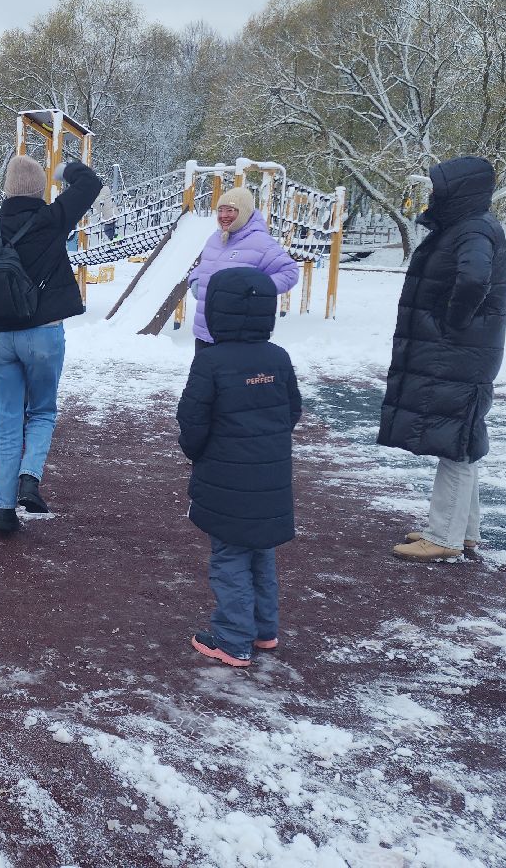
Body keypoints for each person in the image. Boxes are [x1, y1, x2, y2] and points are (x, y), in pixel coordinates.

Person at [0, 153, 103, 532]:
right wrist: (68, 170)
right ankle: (30, 477)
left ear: (6, 189)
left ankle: (3, 511)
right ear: (39, 189)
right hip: (45, 333)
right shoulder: (53, 218)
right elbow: (91, 183)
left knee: (6, 419)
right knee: (43, 411)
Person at [380, 156, 506, 562]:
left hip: (458, 351)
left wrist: (451, 323)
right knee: (462, 436)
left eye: (440, 189)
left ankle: (445, 536)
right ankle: (462, 530)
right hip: (460, 351)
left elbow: (473, 279)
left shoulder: (472, 228)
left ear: (459, 191)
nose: (434, 196)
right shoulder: (468, 226)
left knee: (456, 440)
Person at [177, 268, 302, 668]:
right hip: (271, 476)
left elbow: (193, 419)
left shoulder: (211, 362)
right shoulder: (278, 358)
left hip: (226, 478)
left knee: (230, 556)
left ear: (215, 310)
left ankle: (232, 639)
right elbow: (292, 411)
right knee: (261, 552)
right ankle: (265, 629)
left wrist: (194, 451)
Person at [186, 186, 299, 352]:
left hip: (237, 336)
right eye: (220, 210)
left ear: (244, 212)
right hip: (204, 333)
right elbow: (206, 265)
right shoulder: (215, 238)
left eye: (230, 210)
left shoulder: (260, 242)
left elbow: (290, 273)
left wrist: (253, 291)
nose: (224, 216)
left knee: (229, 378)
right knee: (202, 378)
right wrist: (195, 280)